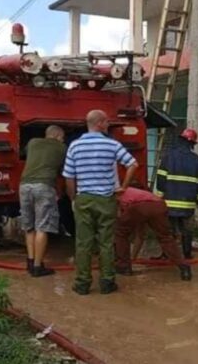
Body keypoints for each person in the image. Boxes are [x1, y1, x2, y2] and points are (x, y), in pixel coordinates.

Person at [63, 110, 139, 295]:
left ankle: (82, 284)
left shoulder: (75, 146)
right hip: (106, 199)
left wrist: (73, 198)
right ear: (99, 123)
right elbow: (133, 164)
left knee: (83, 243)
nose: (108, 124)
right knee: (106, 242)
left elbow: (69, 177)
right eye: (106, 122)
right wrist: (123, 187)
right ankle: (107, 282)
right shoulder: (112, 144)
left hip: (84, 199)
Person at [115, 187, 192, 281]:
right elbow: (140, 232)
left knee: (120, 233)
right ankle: (184, 267)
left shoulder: (117, 194)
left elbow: (123, 217)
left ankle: (123, 266)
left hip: (141, 207)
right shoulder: (140, 194)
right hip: (159, 205)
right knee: (165, 237)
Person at [19, 125, 66, 277]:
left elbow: (26, 154)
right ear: (58, 136)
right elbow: (63, 169)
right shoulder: (61, 147)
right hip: (44, 186)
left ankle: (30, 262)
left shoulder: (32, 143)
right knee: (42, 227)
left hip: (25, 186)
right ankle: (38, 267)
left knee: (29, 226)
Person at [156, 128, 198, 259]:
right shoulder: (197, 160)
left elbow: (161, 179)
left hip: (169, 203)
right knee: (186, 230)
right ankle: (187, 255)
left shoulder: (168, 157)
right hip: (188, 203)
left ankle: (167, 255)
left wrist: (159, 197)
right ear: (192, 144)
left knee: (168, 230)